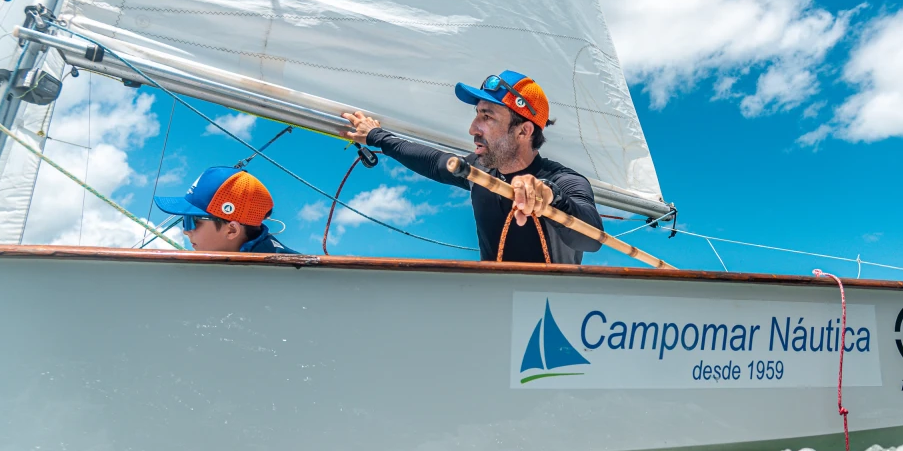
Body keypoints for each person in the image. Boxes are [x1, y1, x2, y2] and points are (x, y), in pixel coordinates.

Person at [343, 70, 603, 264]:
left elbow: (592, 239)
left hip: (547, 314)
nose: (472, 129)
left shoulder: (565, 180)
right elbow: (432, 161)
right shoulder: (478, 173)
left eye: (487, 117)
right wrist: (377, 136)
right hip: (492, 305)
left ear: (524, 131)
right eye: (476, 114)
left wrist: (550, 196)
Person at [154, 167, 298, 254]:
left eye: (192, 221)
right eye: (184, 220)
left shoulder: (282, 275)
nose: (186, 231)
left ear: (232, 230)